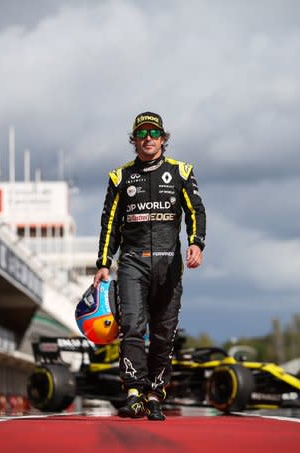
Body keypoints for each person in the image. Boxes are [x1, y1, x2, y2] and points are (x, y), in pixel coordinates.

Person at [93, 111, 206, 421]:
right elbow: (110, 224)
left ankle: (155, 394)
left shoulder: (182, 171)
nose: (148, 139)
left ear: (163, 138)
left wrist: (196, 242)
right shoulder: (120, 177)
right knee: (131, 326)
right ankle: (133, 392)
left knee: (164, 333)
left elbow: (196, 211)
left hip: (169, 265)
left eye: (154, 133)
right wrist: (104, 263)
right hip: (132, 263)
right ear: (134, 140)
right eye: (142, 134)